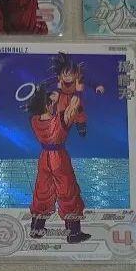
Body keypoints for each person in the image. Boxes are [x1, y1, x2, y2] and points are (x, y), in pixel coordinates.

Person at [26, 85, 90, 243]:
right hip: (59, 158)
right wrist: (71, 91)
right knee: (68, 192)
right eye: (51, 103)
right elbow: (74, 103)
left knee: (42, 191)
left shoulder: (34, 120)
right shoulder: (59, 119)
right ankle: (73, 233)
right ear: (47, 104)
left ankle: (36, 229)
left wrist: (49, 97)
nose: (53, 105)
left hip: (44, 158)